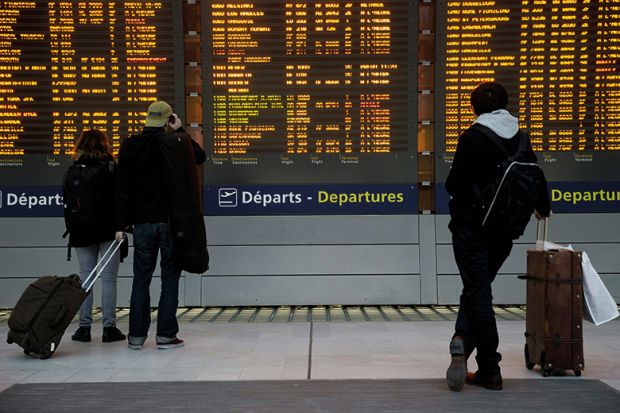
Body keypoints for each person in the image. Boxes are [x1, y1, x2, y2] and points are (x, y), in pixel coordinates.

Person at [444, 82, 550, 391]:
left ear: (474, 108)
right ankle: (461, 338)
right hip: (504, 232)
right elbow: (535, 177)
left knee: (478, 293)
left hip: (471, 230)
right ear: (505, 104)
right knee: (477, 290)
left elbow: (453, 184)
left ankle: (490, 367)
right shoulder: (521, 137)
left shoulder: (473, 138)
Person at [115, 101, 205, 350]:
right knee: (170, 278)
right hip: (169, 223)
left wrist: (120, 223)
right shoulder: (173, 143)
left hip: (141, 224)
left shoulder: (130, 146)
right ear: (168, 120)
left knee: (140, 280)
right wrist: (180, 131)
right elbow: (199, 156)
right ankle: (165, 335)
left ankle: (135, 337)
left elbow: (122, 189)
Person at [64, 130, 126, 343]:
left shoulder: (74, 169)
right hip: (109, 231)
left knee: (86, 278)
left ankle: (84, 328)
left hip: (81, 232)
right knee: (109, 279)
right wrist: (121, 226)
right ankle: (109, 328)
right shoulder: (111, 168)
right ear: (105, 146)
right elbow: (120, 198)